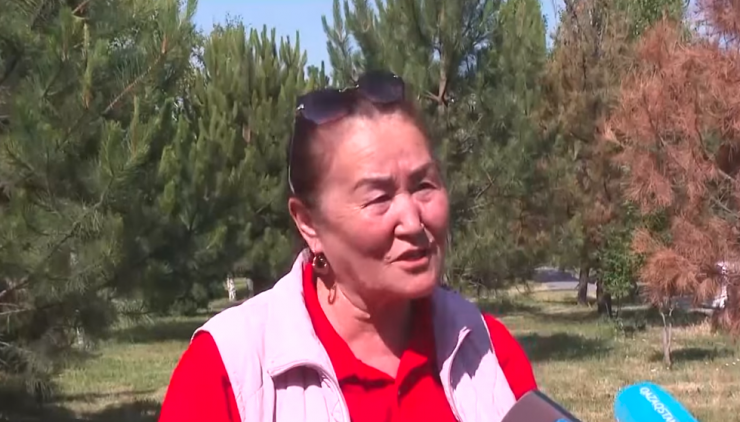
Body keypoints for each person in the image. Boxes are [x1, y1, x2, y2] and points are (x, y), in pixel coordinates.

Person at [158, 70, 537, 422]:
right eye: (378, 198)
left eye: (424, 186)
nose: (412, 221)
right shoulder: (225, 372)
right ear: (309, 223)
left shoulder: (485, 348)